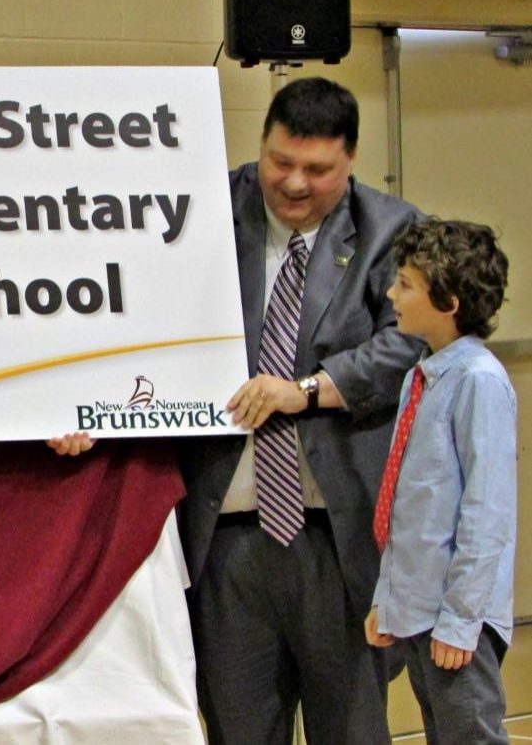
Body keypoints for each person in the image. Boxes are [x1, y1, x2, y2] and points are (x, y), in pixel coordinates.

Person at [175, 77, 423, 743]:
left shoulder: (391, 231)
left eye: (317, 170)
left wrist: (308, 389)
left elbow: (408, 342)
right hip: (226, 535)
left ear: (350, 160)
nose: (292, 182)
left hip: (336, 537)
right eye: (279, 161)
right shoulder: (201, 210)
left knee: (352, 728)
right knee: (238, 728)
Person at [365, 219, 514, 744]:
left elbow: (487, 512)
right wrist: (387, 599)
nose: (391, 294)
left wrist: (461, 620)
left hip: (456, 618)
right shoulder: (421, 375)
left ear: (448, 302)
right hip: (419, 610)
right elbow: (409, 504)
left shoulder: (478, 379)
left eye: (405, 283)